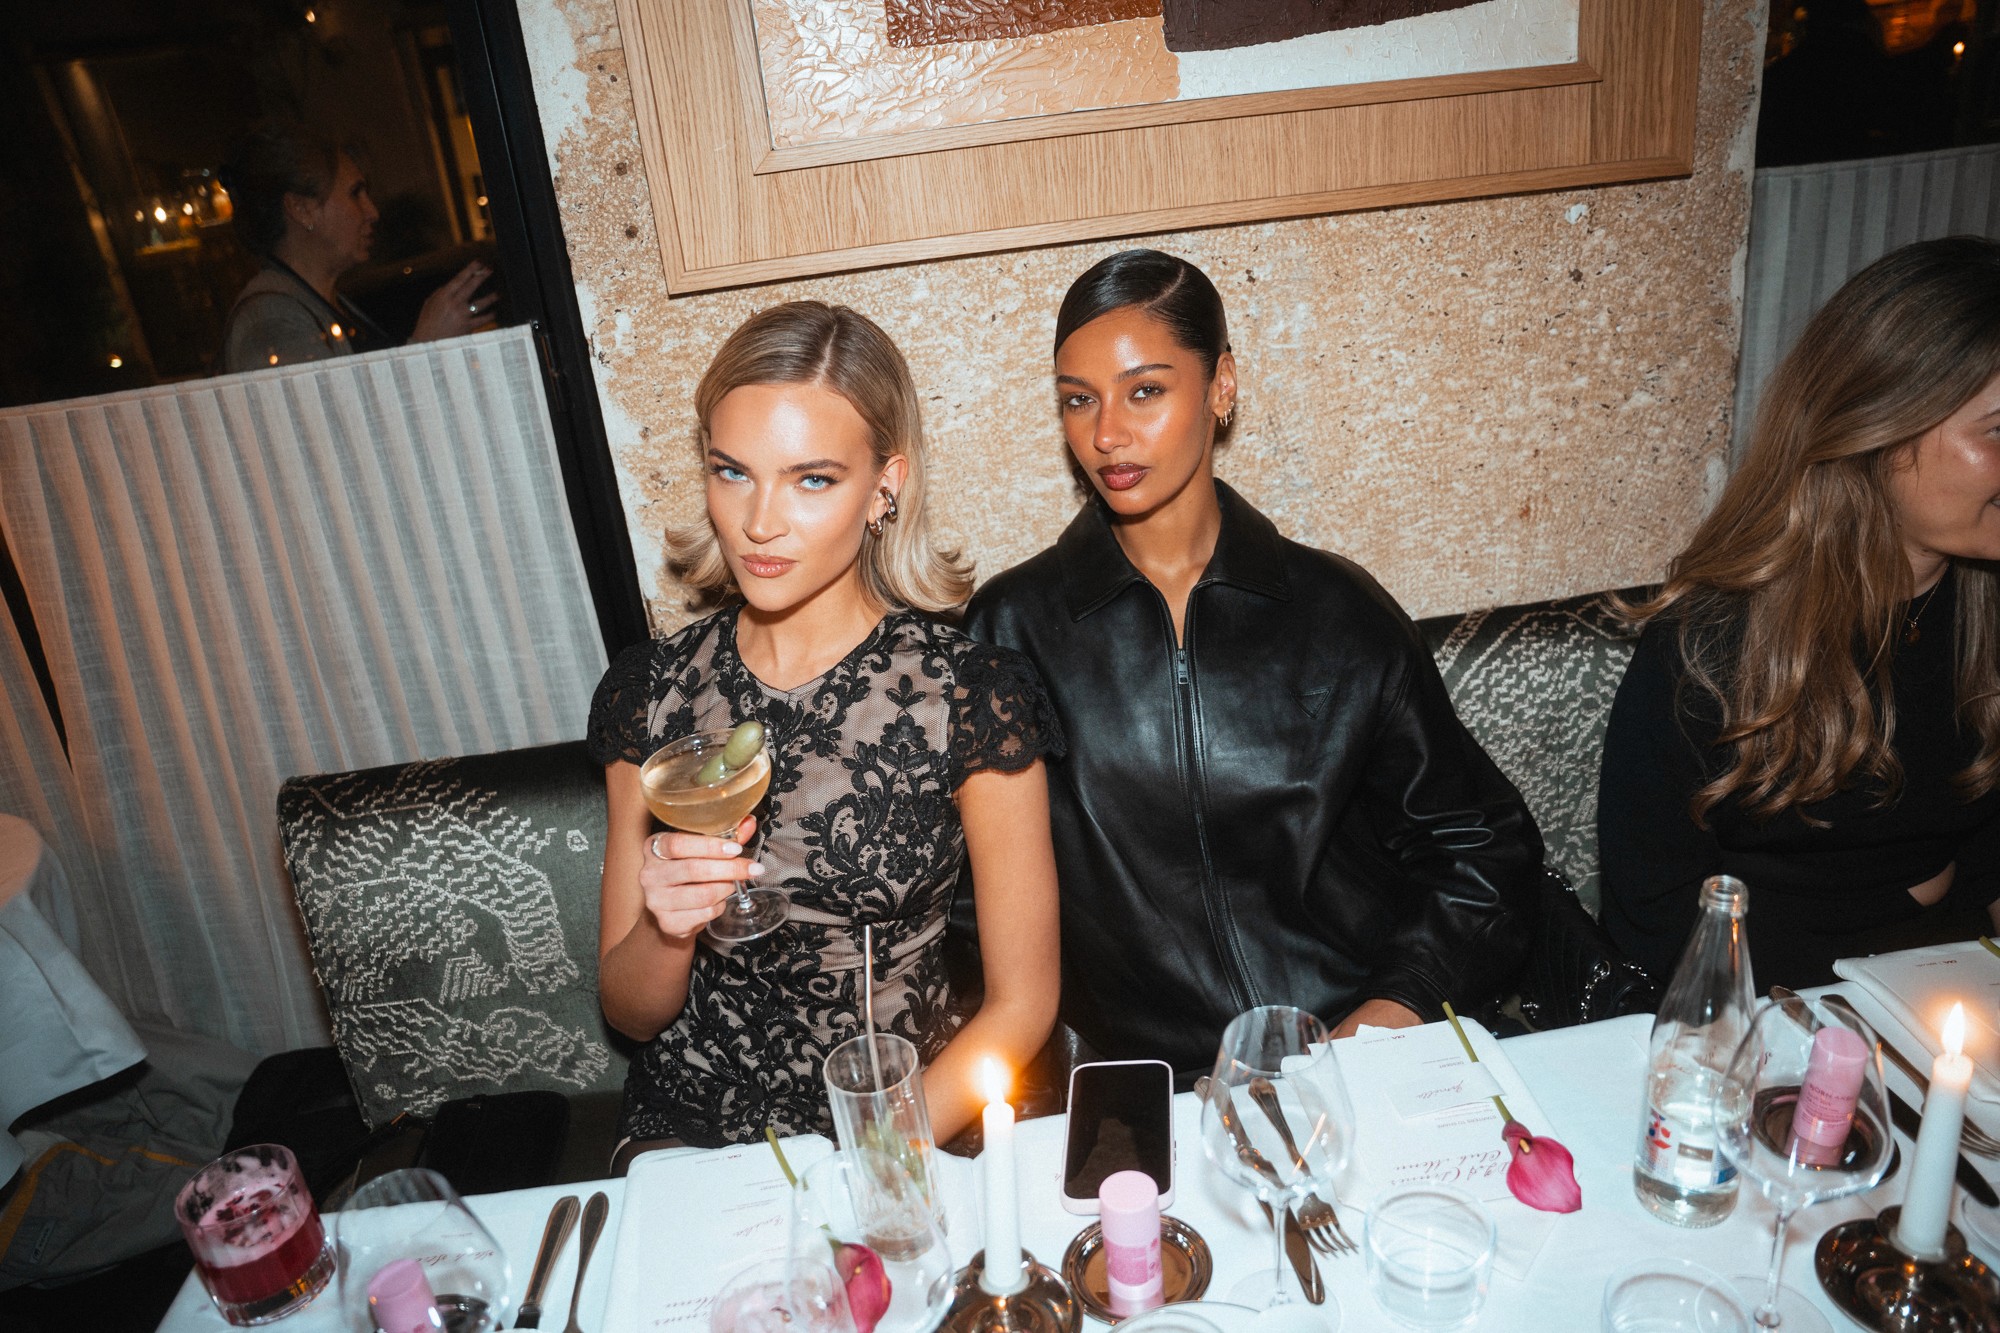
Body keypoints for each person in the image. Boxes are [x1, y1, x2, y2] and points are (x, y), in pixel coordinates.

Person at [962, 249, 1545, 1080]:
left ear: (1222, 385)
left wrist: (1370, 1036)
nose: (1106, 433)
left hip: (1361, 1055)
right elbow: (973, 917)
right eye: (1078, 399)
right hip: (1163, 1091)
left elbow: (1484, 851)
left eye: (1145, 391)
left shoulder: (1337, 612)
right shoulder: (1012, 630)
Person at [587, 300, 1063, 1154]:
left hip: (908, 1113)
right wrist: (668, 924)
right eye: (733, 471)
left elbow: (1022, 1005)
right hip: (698, 1126)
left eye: (812, 479)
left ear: (885, 485)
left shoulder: (972, 696)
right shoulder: (649, 691)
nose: (759, 521)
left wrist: (871, 1161)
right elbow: (629, 1012)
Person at [1599, 237, 2000, 991]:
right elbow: (1653, 913)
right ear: (1879, 424)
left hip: (1948, 977)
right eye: (1999, 429)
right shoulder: (1712, 641)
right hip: (1760, 995)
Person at [215, 124, 494, 373]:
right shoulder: (272, 321)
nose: (372, 212)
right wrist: (425, 346)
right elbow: (334, 413)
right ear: (301, 209)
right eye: (355, 194)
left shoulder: (322, 301)